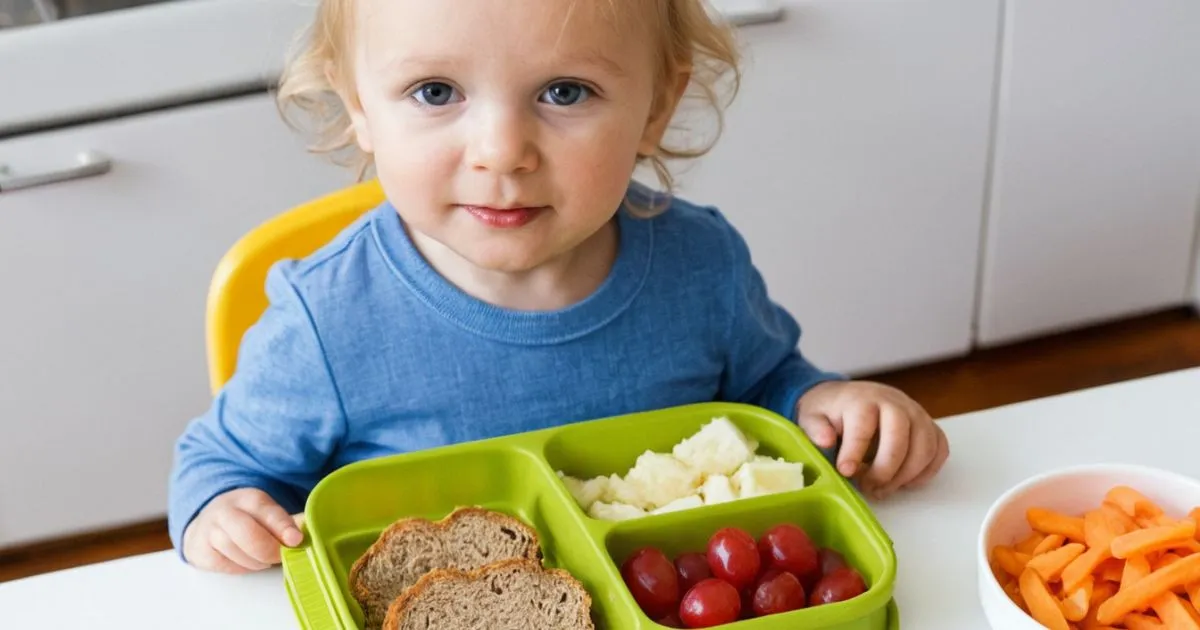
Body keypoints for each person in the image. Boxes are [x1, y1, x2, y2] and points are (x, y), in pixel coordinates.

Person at [168, 0, 949, 574]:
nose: (502, 152)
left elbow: (768, 386)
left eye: (565, 92)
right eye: (436, 92)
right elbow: (216, 465)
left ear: (657, 107)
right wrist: (220, 515)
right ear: (359, 107)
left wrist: (830, 407)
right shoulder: (327, 321)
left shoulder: (701, 264)